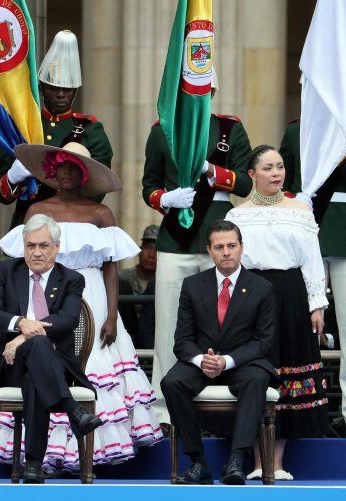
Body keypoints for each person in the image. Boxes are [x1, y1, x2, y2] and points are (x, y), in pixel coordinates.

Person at [0, 143, 161, 472]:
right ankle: (61, 430)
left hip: (92, 293)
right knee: (42, 353)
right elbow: (23, 266)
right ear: (51, 172)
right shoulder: (37, 210)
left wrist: (113, 313)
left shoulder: (100, 213)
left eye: (72, 168)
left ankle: (92, 447)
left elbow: (111, 266)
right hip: (44, 291)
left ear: (84, 174)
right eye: (60, 167)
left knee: (96, 363)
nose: (65, 174)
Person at [143, 76, 253, 424]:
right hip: (176, 237)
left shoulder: (228, 130)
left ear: (212, 92)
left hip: (215, 236)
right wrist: (166, 199)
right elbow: (149, 186)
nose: (196, 95)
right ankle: (163, 409)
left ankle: (217, 407)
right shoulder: (162, 131)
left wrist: (212, 171)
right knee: (167, 326)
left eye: (203, 89)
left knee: (218, 323)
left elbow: (246, 182)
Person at [226, 145, 330, 480]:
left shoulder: (299, 210)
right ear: (253, 174)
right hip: (250, 296)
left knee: (289, 370)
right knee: (257, 373)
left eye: (281, 166)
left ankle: (277, 462)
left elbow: (312, 258)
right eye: (268, 167)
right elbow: (228, 264)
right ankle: (258, 462)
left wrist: (316, 304)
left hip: (291, 295)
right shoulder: (237, 216)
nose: (277, 173)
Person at [0, 214, 103, 483]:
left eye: (43, 246)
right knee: (38, 349)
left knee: (37, 365)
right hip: (11, 365)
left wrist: (23, 336)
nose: (36, 253)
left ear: (56, 247)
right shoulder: (7, 272)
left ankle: (32, 464)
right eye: (30, 246)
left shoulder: (71, 279)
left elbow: (67, 320)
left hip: (56, 363)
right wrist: (21, 322)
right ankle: (70, 411)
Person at [161, 219, 277, 485]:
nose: (226, 252)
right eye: (219, 246)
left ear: (241, 248)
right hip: (203, 363)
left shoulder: (262, 288)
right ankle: (199, 462)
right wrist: (204, 360)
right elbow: (182, 340)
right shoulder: (193, 285)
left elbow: (264, 342)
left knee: (257, 378)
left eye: (232, 246)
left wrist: (227, 361)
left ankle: (237, 459)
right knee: (171, 382)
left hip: (242, 363)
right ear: (209, 250)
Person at [0, 30, 113, 229]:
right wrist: (13, 177)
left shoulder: (90, 130)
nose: (60, 94)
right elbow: (2, 195)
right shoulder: (23, 127)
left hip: (74, 226)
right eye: (53, 88)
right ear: (41, 88)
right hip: (29, 223)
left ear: (74, 91)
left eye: (66, 89)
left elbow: (98, 188)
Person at [280, 119, 346, 431]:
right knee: (297, 327)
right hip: (302, 233)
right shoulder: (297, 131)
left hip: (342, 233)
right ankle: (293, 409)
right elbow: (283, 183)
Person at [118, 225, 158, 348]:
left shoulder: (164, 282)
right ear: (139, 251)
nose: (151, 254)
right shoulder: (122, 279)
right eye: (147, 248)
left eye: (156, 250)